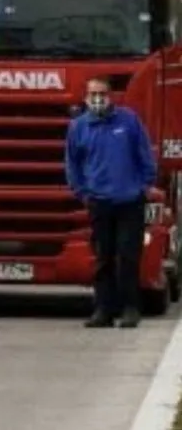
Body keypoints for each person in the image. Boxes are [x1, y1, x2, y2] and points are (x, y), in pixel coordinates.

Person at [65, 75, 157, 329]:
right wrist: (82, 193)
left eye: (102, 93)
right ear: (85, 97)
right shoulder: (79, 127)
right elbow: (73, 164)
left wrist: (145, 185)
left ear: (111, 96)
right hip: (99, 202)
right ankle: (103, 310)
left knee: (128, 256)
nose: (97, 98)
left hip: (130, 201)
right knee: (102, 258)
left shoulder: (129, 121)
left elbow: (144, 153)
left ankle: (130, 308)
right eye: (92, 93)